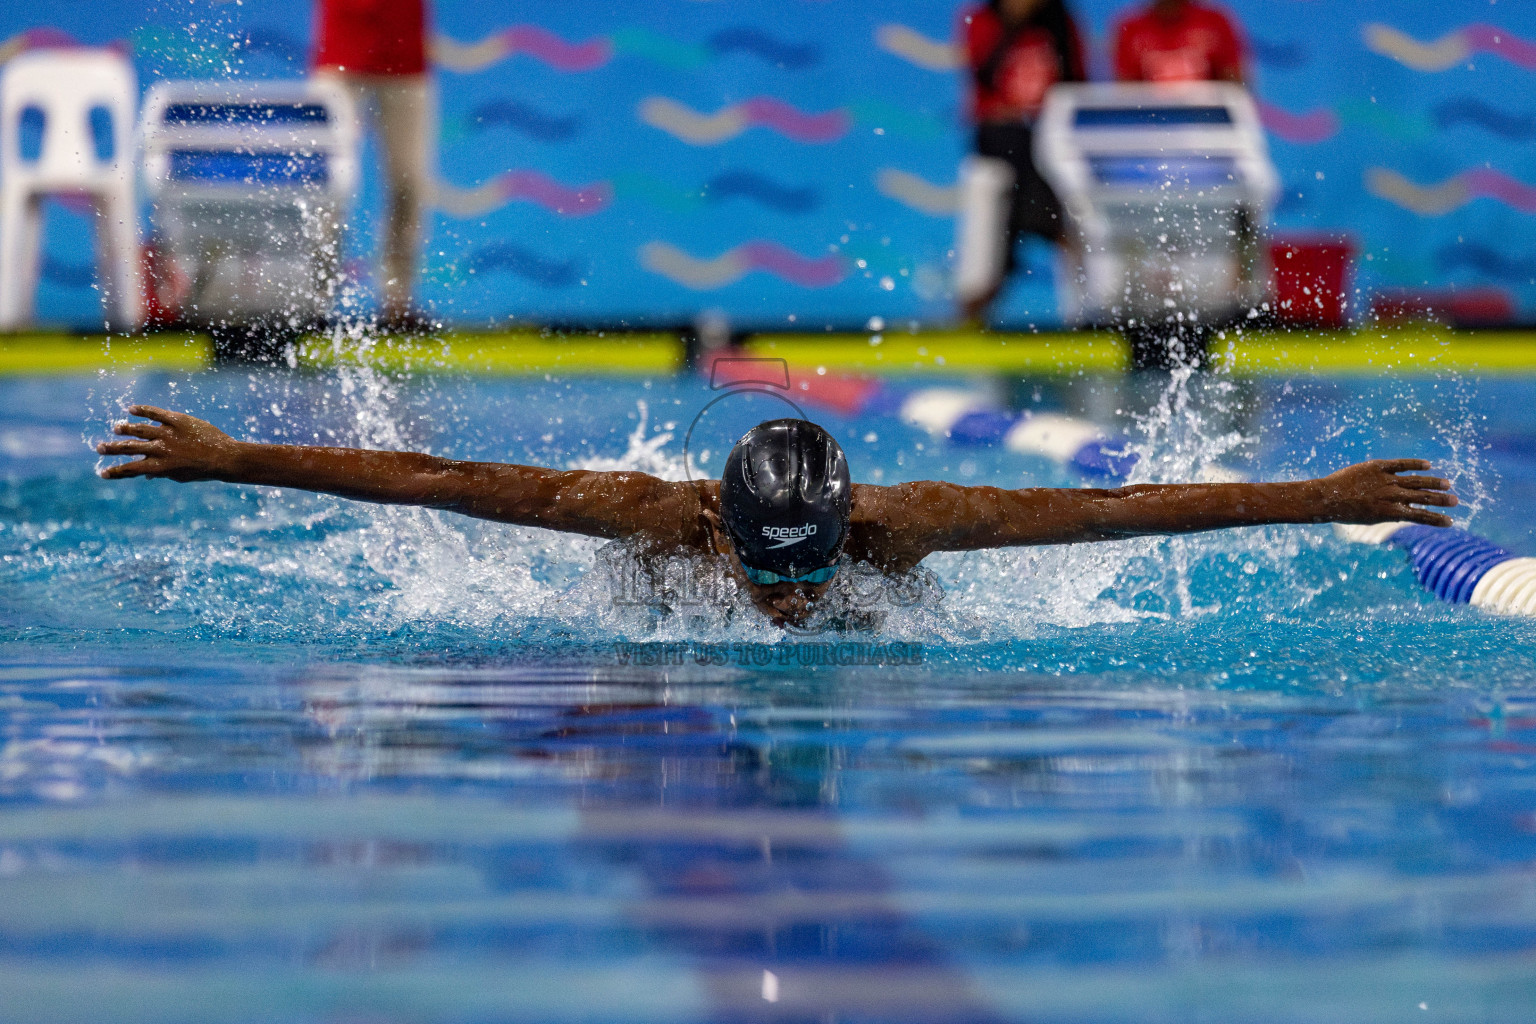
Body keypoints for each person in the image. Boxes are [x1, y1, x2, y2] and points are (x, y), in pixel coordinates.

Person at [97, 408, 1459, 629]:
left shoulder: (910, 526)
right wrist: (228, 459)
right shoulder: (656, 518)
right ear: (730, 536)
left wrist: (1316, 502)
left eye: (803, 574)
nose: (790, 601)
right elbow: (439, 482)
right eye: (770, 574)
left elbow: (1115, 514)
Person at [955, 0, 1087, 327]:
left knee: (1061, 186)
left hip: (1049, 144)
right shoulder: (982, 20)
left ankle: (1087, 314)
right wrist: (1013, 23)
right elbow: (984, 74)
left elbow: (1075, 83)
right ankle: (1040, 222)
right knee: (1000, 194)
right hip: (1000, 147)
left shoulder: (1060, 22)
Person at [312, 0, 435, 331]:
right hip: (340, 56)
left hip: (405, 61)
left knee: (409, 186)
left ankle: (398, 307)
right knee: (324, 187)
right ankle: (313, 302)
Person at [1113, 0, 1246, 84]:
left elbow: (1234, 83)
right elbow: (1127, 91)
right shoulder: (1132, 28)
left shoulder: (1215, 22)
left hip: (1206, 121)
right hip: (1152, 122)